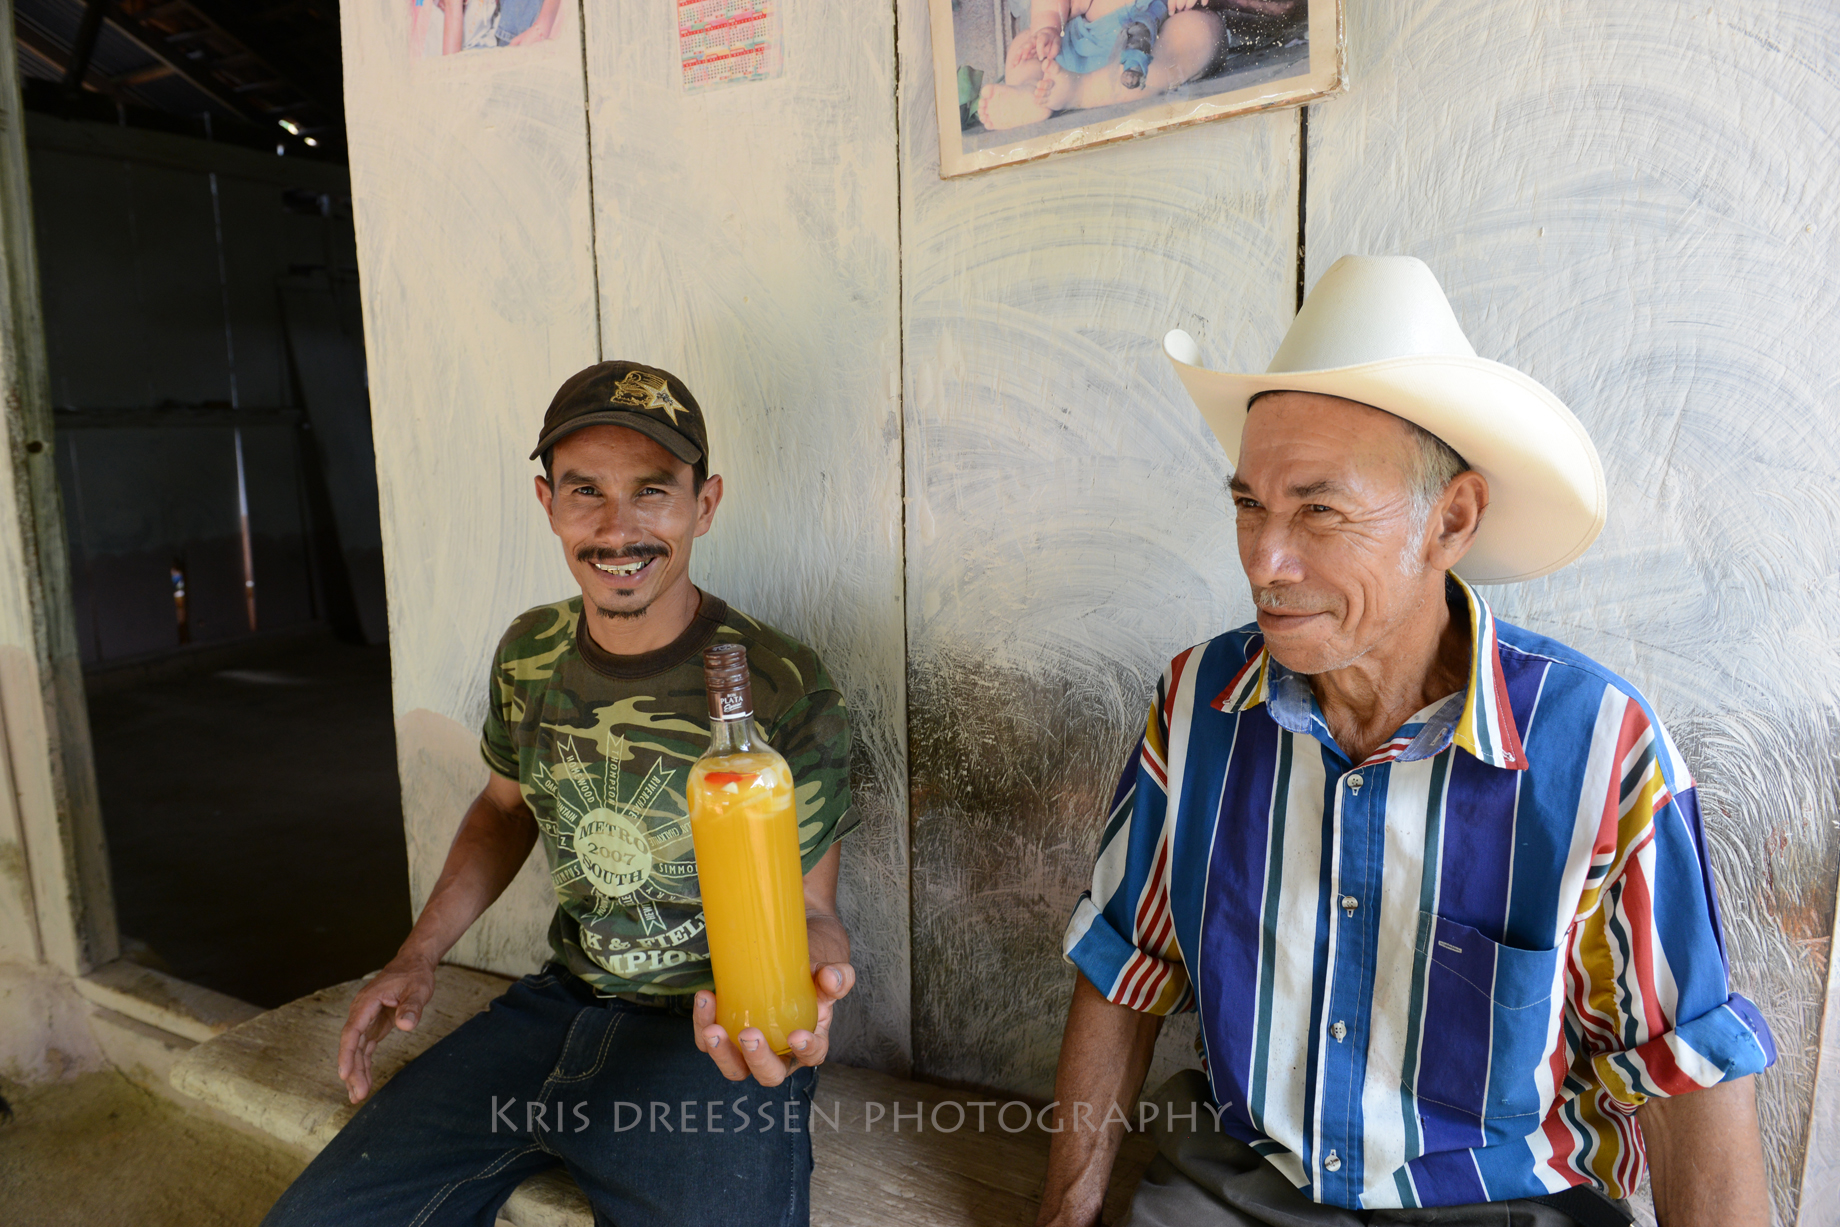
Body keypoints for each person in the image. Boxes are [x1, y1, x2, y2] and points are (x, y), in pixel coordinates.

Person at [1038, 257, 1776, 1227]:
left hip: (1501, 1207)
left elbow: (1689, 1070)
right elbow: (1122, 970)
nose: (1265, 560)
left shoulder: (1598, 749)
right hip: (1244, 1192)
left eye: (1319, 509)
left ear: (1452, 520)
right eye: (1247, 504)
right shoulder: (1197, 704)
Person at [261, 361, 858, 1227]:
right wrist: (418, 953)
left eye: (654, 491)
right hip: (556, 1005)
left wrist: (805, 982)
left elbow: (811, 900)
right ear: (547, 503)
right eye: (587, 491)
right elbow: (504, 809)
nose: (619, 528)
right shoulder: (530, 651)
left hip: (713, 1032)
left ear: (706, 502)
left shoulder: (778, 682)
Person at [978, 0, 1305, 131]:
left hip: (1151, 48)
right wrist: (1046, 26)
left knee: (1200, 33)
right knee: (1025, 44)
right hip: (1075, 48)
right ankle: (1030, 93)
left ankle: (1079, 91)